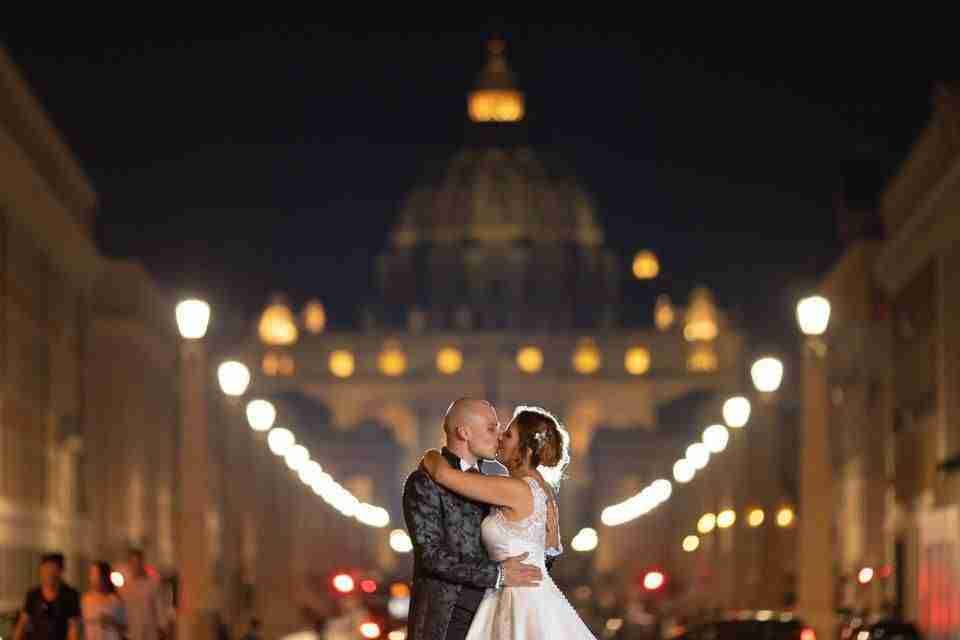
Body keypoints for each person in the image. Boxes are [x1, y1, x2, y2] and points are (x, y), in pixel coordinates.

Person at [420, 405, 595, 639]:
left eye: (509, 435)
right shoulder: (542, 491)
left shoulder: (516, 488)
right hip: (531, 597)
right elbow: (548, 552)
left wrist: (430, 455)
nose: (501, 437)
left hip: (518, 600)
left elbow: (444, 475)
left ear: (528, 450)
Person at [402, 399, 545, 640]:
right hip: (446, 618)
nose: (499, 436)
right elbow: (431, 556)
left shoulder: (493, 486)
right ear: (464, 432)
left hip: (493, 614)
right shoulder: (424, 481)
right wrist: (497, 574)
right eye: (491, 428)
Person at [13, 553, 81, 640]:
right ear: (41, 570)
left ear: (61, 571)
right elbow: (22, 624)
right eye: (46, 569)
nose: (50, 573)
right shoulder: (33, 594)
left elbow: (73, 627)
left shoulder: (70, 594)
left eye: (54, 569)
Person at [119, 549, 171, 640]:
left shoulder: (153, 584)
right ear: (129, 565)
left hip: (150, 633)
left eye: (138, 562)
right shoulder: (126, 588)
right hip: (132, 633)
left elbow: (159, 608)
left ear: (142, 563)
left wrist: (163, 628)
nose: (136, 566)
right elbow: (123, 611)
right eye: (133, 563)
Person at [81, 562, 126, 640]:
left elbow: (124, 627)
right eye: (91, 574)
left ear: (103, 577)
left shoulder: (115, 600)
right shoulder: (86, 599)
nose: (91, 577)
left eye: (94, 574)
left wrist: (111, 622)